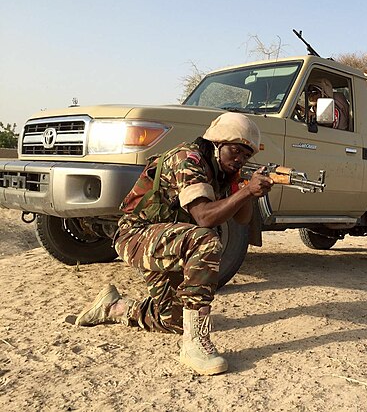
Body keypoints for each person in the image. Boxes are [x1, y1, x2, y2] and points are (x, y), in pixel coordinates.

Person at [74, 112, 274, 376]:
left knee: (175, 320)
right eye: (235, 151)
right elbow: (204, 217)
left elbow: (242, 219)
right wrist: (247, 191)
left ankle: (114, 307)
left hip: (168, 241)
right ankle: (194, 346)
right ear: (216, 143)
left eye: (246, 156)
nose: (239, 160)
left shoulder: (222, 170)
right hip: (136, 236)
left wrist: (244, 189)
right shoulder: (187, 160)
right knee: (205, 241)